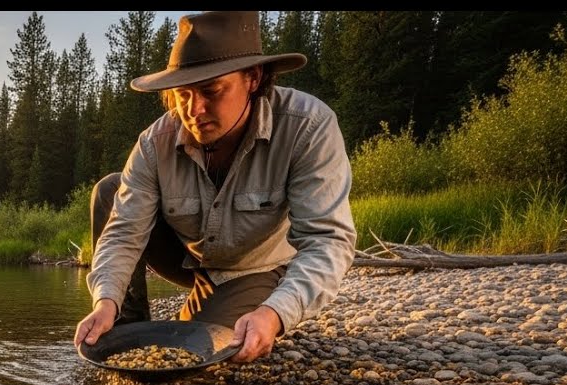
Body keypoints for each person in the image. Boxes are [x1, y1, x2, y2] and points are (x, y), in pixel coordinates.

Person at [73, 10, 357, 364]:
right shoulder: (153, 143)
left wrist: (275, 313)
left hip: (257, 267)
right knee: (110, 190)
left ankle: (232, 304)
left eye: (211, 90)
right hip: (188, 258)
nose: (194, 110)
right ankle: (126, 325)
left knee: (200, 353)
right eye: (182, 94)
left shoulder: (307, 126)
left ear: (253, 78)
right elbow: (124, 233)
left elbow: (328, 242)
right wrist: (105, 301)